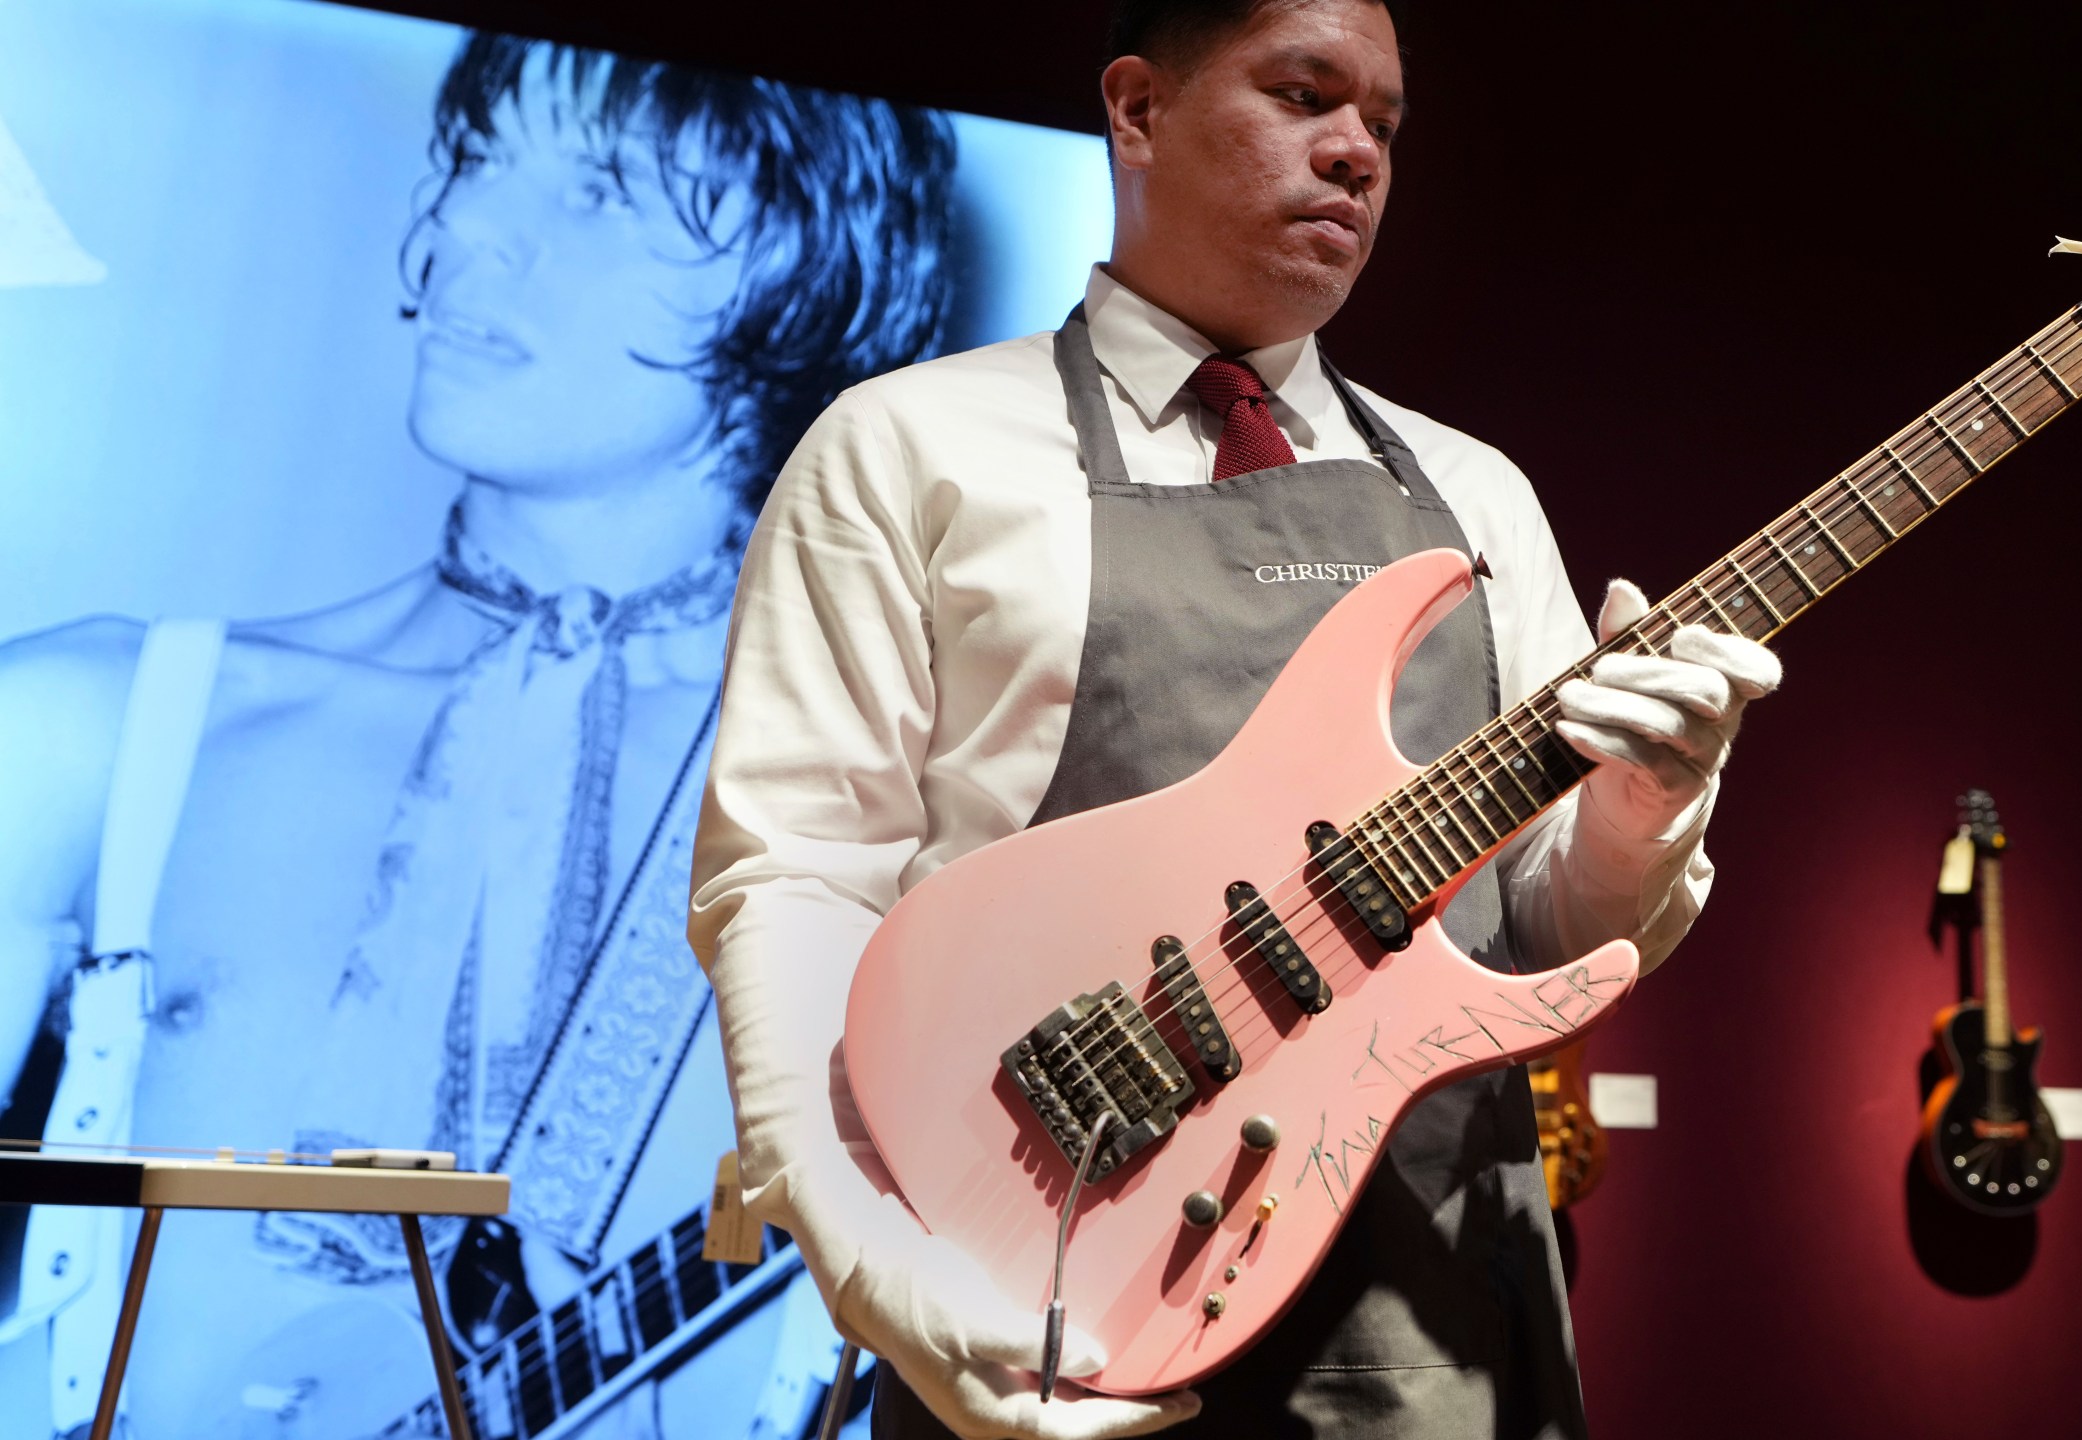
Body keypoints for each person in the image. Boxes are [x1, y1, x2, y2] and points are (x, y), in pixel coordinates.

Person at [688, 2, 1785, 1438]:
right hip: (1045, 1305)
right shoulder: (908, 449)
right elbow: (796, 872)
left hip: (1431, 1328)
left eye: (1385, 125)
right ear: (1138, 111)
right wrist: (868, 1256)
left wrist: (1642, 820)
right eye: (1305, 94)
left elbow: (1542, 934)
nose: (1357, 156)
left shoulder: (1477, 494)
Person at [0, 35, 950, 1439]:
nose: (463, 231)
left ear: (805, 264)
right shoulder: (93, 727)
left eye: (607, 191)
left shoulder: (926, 841)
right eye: (482, 161)